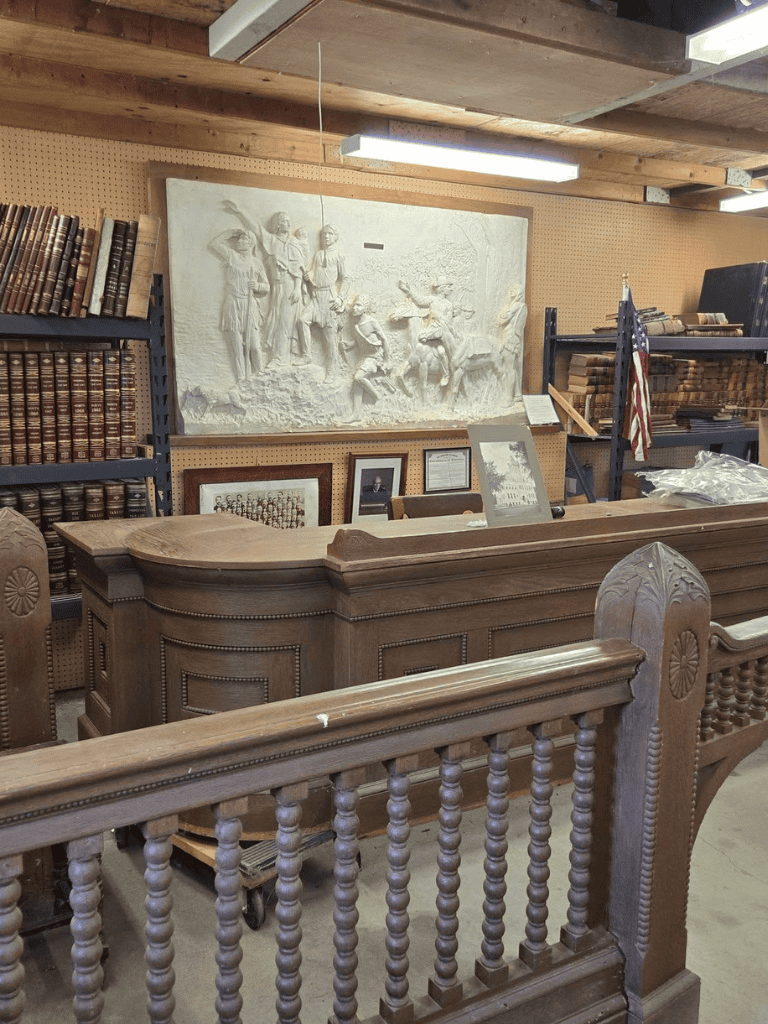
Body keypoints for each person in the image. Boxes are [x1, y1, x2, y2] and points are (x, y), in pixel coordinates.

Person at [222, 201, 306, 368]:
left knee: (284, 319)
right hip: (277, 287)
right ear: (277, 224)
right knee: (275, 319)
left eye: (289, 221)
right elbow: (256, 228)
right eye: (283, 220)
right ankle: (278, 355)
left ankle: (281, 357)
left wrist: (297, 288)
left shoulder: (294, 243)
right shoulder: (272, 240)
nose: (288, 223)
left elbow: (299, 268)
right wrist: (240, 211)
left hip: (290, 286)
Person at [208, 227, 270, 383]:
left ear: (251, 243)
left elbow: (267, 286)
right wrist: (230, 233)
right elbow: (214, 244)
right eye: (239, 239)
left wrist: (257, 286)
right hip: (233, 303)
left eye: (244, 239)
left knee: (254, 346)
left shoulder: (256, 263)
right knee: (236, 347)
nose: (239, 241)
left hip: (249, 305)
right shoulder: (231, 256)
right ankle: (242, 380)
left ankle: (260, 377)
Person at [297, 224, 349, 374]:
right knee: (302, 320)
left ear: (335, 236)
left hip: (329, 296)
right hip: (317, 296)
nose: (326, 237)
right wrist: (309, 276)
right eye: (324, 234)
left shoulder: (339, 255)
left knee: (330, 335)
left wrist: (340, 298)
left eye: (330, 234)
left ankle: (331, 371)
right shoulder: (318, 255)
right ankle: (306, 355)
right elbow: (314, 271)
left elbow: (346, 278)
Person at [397, 275, 458, 385]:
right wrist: (409, 290)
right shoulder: (432, 300)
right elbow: (420, 300)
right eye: (449, 287)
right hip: (429, 330)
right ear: (443, 288)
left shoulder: (448, 305)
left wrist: (437, 316)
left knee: (441, 351)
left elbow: (449, 321)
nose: (450, 289)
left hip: (440, 333)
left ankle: (446, 374)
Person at [343, 294, 395, 420]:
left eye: (358, 305)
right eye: (354, 305)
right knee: (357, 383)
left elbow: (384, 339)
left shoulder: (371, 322)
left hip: (374, 356)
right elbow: (360, 341)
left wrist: (387, 360)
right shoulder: (355, 324)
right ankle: (356, 414)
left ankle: (378, 398)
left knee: (358, 377)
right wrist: (349, 345)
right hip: (364, 357)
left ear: (365, 308)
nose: (354, 308)